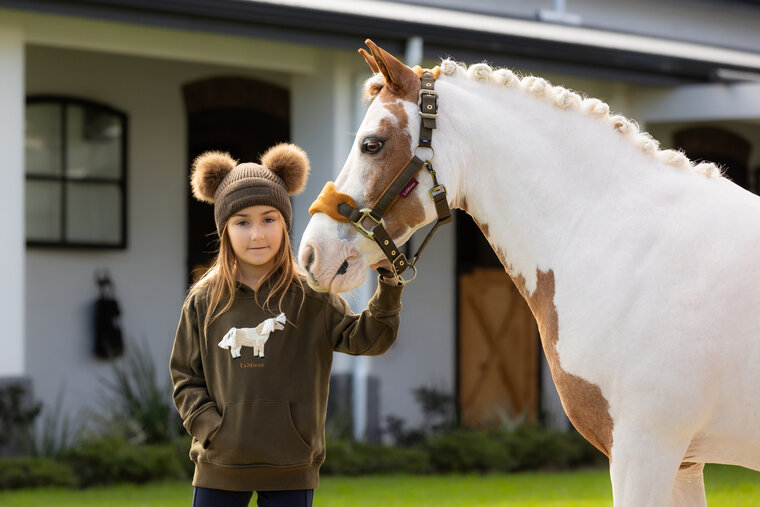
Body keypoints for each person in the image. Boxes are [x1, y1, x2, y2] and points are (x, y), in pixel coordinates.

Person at [170, 144, 403, 507]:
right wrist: (210, 428)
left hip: (291, 464)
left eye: (269, 219)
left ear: (285, 222)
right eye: (242, 222)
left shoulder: (312, 297)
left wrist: (388, 289)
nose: (257, 234)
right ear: (225, 229)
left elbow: (367, 340)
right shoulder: (205, 300)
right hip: (220, 462)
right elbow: (185, 375)